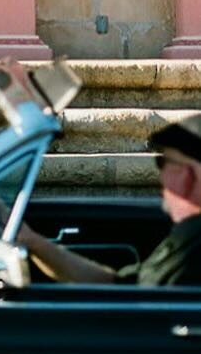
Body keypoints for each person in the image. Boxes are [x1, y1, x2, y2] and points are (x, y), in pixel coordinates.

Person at [15, 115, 201, 285]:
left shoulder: (192, 252)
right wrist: (33, 242)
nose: (160, 174)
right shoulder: (187, 237)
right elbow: (117, 284)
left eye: (163, 163)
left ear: (190, 176)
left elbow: (137, 306)